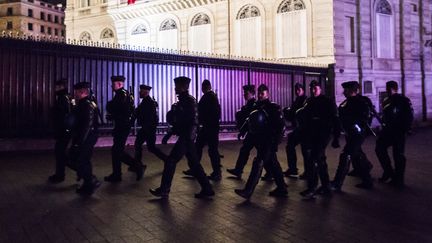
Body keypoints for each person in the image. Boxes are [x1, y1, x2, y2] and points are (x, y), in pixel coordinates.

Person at [149, 76, 214, 199]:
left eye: (177, 86)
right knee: (194, 164)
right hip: (186, 138)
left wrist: (187, 137)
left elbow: (192, 121)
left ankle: (164, 189)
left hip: (187, 138)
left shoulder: (190, 101)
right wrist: (169, 133)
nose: (175, 88)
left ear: (183, 87)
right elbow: (179, 121)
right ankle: (207, 189)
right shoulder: (182, 102)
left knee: (171, 160)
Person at [234, 84, 288, 199]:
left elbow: (281, 125)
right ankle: (282, 188)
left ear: (267, 94)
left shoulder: (273, 108)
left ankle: (248, 190)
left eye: (262, 93)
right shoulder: (256, 106)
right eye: (259, 93)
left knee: (258, 162)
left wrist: (276, 141)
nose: (259, 95)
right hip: (260, 139)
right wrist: (243, 130)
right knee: (273, 163)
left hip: (269, 141)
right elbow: (250, 119)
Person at [297, 80, 339, 199]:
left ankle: (312, 188)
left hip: (323, 134)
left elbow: (335, 119)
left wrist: (336, 137)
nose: (313, 90)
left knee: (314, 159)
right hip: (312, 134)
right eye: (311, 88)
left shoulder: (327, 102)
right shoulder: (309, 101)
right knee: (320, 160)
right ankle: (325, 186)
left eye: (315, 88)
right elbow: (305, 118)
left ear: (320, 89)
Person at [331, 81, 373, 191]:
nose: (344, 92)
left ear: (351, 91)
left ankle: (337, 183)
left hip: (357, 134)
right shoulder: (346, 102)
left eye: (346, 90)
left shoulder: (361, 102)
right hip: (350, 133)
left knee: (346, 155)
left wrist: (357, 128)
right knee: (357, 154)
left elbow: (365, 118)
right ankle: (367, 177)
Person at [104, 75, 143, 182]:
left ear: (120, 84)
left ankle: (136, 166)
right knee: (116, 150)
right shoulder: (125, 94)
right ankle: (118, 174)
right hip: (123, 126)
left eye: (113, 84)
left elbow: (119, 110)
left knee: (117, 151)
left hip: (122, 126)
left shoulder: (121, 95)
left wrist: (111, 109)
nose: (112, 86)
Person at [375, 81, 413, 188]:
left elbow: (409, 116)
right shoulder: (387, 100)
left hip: (398, 131)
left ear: (394, 88)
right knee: (379, 149)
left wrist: (406, 129)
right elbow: (385, 115)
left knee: (398, 155)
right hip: (388, 130)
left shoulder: (403, 100)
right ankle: (389, 172)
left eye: (389, 88)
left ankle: (398, 179)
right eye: (387, 88)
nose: (387, 90)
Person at [183, 80, 222, 181]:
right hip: (211, 127)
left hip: (208, 128)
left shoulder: (207, 97)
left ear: (205, 87)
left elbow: (200, 111)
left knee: (207, 149)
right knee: (204, 148)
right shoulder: (213, 97)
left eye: (202, 87)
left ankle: (216, 173)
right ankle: (198, 169)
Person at [69, 82, 101, 195]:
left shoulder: (87, 104)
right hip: (84, 137)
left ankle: (90, 182)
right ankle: (89, 182)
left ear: (82, 92)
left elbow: (88, 125)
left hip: (87, 137)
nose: (75, 94)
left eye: (76, 92)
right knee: (78, 160)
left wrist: (80, 142)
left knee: (82, 160)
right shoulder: (83, 103)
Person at [133, 84, 167, 171]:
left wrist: (147, 128)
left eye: (141, 91)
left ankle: (167, 160)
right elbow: (138, 113)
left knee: (150, 147)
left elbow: (152, 118)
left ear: (146, 92)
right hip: (146, 128)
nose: (139, 92)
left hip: (148, 129)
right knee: (142, 145)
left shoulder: (150, 103)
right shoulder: (145, 102)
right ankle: (137, 164)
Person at [226, 84, 257, 179]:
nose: (244, 95)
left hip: (256, 133)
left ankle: (238, 170)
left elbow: (248, 120)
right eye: (244, 93)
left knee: (264, 154)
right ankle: (238, 170)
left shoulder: (252, 105)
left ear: (252, 94)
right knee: (245, 150)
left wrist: (242, 131)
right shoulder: (249, 105)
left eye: (246, 93)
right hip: (253, 133)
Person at [48, 79, 73, 183]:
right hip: (65, 130)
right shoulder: (67, 97)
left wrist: (53, 111)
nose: (55, 89)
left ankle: (60, 175)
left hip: (63, 130)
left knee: (60, 153)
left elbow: (63, 115)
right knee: (60, 153)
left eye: (56, 87)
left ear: (61, 87)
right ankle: (60, 174)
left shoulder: (63, 98)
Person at [283, 82, 307, 178]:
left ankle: (307, 171)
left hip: (304, 129)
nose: (297, 91)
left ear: (303, 90)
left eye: (299, 90)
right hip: (298, 129)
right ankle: (292, 169)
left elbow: (301, 115)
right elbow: (292, 116)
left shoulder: (305, 101)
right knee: (290, 146)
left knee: (305, 151)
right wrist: (287, 112)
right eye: (296, 90)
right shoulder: (296, 101)